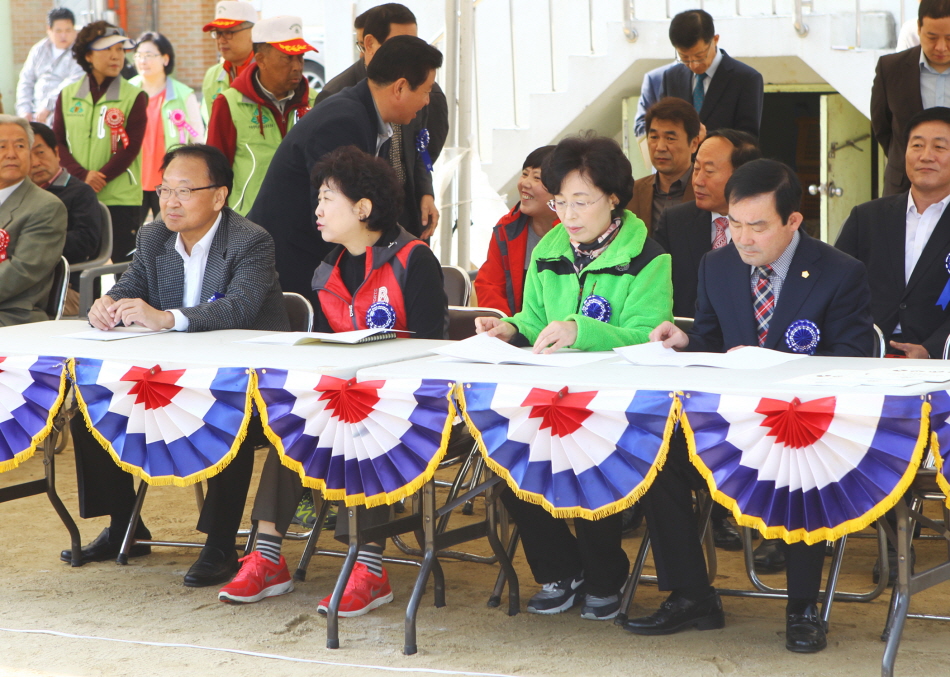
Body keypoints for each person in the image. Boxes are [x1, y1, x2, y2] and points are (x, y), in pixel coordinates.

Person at [635, 159, 873, 654]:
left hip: (804, 423)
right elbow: (714, 342)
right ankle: (691, 595)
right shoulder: (716, 264)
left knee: (803, 458)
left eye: (757, 226)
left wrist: (772, 365)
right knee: (657, 456)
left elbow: (852, 361)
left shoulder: (840, 272)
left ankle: (803, 606)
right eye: (734, 224)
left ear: (792, 221)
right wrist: (685, 341)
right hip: (731, 422)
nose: (742, 238)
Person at [217, 145, 447, 613]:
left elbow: (432, 347)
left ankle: (370, 568)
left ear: (362, 209)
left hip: (410, 404)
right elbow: (326, 348)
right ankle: (266, 558)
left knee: (360, 426)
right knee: (294, 420)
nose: (317, 211)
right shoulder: (329, 271)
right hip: (349, 397)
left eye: (327, 200)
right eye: (318, 200)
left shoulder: (414, 260)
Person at [62, 145, 290, 589]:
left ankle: (221, 545)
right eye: (164, 190)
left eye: (184, 191)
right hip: (175, 383)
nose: (170, 202)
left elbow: (239, 309)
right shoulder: (154, 237)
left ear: (219, 196)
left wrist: (168, 318)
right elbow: (132, 285)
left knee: (229, 420)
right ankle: (126, 525)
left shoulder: (251, 240)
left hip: (248, 388)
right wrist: (107, 306)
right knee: (90, 410)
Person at [474, 135, 673, 620]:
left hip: (616, 405)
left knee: (590, 461)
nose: (569, 215)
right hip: (549, 397)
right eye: (560, 202)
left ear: (613, 198)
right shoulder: (549, 249)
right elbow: (534, 317)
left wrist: (581, 330)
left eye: (581, 202)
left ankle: (605, 573)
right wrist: (509, 327)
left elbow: (650, 336)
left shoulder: (648, 255)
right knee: (507, 459)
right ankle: (560, 570)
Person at [247, 36, 443, 299]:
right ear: (400, 88)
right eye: (426, 90)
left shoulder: (367, 116)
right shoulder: (342, 121)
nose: (427, 101)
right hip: (288, 268)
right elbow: (335, 212)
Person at [315, 3, 448, 239]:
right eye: (399, 44)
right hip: (362, 218)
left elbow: (423, 146)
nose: (411, 52)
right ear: (369, 44)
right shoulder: (337, 96)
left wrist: (425, 190)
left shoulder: (424, 90)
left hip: (406, 207)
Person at [53, 22, 146, 263]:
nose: (116, 56)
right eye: (108, 49)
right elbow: (58, 142)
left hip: (121, 197)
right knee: (81, 266)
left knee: (124, 269)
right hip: (76, 194)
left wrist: (99, 178)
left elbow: (131, 146)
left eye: (120, 49)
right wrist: (83, 176)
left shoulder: (134, 95)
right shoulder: (67, 94)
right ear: (88, 55)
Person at [206, 16, 317, 216]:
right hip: (249, 222)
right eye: (287, 57)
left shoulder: (316, 103)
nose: (297, 66)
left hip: (307, 220)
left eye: (300, 57)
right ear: (261, 60)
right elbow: (215, 173)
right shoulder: (229, 103)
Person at [653, 129, 761, 318]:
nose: (698, 181)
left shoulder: (767, 227)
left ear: (742, 175)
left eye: (709, 171)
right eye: (696, 169)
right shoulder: (674, 221)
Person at [872, 0, 950, 196]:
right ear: (918, 28)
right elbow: (882, 128)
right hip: (903, 187)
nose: (941, 47)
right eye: (932, 37)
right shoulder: (890, 68)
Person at [130, 32, 206, 222]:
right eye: (138, 55)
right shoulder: (127, 92)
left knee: (169, 238)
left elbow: (199, 140)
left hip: (170, 184)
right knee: (130, 241)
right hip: (131, 182)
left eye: (149, 55)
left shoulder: (183, 94)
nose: (142, 60)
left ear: (165, 58)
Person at [0, 115, 68, 326]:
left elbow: (21, 271)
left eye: (20, 146)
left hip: (13, 316)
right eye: (2, 146)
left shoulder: (45, 207)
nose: (11, 154)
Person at [473, 145, 557, 315]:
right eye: (525, 174)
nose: (525, 183)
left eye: (537, 177)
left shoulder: (578, 233)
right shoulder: (507, 228)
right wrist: (507, 327)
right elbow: (490, 285)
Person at [29, 122, 102, 316]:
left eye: (40, 152)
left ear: (56, 152)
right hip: (27, 282)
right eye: (26, 156)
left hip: (66, 287)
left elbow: (86, 242)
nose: (35, 162)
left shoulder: (80, 193)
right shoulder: (18, 196)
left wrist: (32, 243)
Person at [660, 10, 763, 138]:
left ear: (715, 40)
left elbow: (748, 139)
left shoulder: (746, 79)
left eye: (700, 56)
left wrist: (707, 138)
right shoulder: (671, 77)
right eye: (684, 58)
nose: (693, 65)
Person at [627, 97, 701, 232]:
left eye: (670, 138)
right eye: (654, 137)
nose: (660, 147)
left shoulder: (707, 191)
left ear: (694, 144)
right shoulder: (632, 192)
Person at [15, 8, 85, 127]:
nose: (63, 35)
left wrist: (47, 106)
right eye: (58, 31)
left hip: (64, 113)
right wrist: (24, 111)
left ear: (74, 29)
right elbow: (26, 81)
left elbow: (73, 82)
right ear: (49, 29)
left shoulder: (81, 52)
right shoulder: (39, 50)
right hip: (33, 113)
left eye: (68, 30)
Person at [201, 0, 258, 123]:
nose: (221, 40)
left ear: (253, 33)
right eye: (217, 33)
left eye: (228, 32)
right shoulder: (212, 76)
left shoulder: (268, 73)